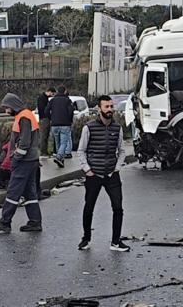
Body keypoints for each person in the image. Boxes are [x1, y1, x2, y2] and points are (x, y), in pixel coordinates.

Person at [76, 95, 130, 252]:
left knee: (118, 208)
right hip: (94, 174)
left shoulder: (117, 128)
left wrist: (117, 168)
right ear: (99, 109)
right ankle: (86, 239)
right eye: (106, 107)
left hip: (112, 174)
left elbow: (122, 150)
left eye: (111, 106)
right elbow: (81, 150)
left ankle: (116, 242)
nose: (110, 109)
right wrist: (87, 170)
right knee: (89, 207)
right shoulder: (89, 127)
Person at [0, 93, 43, 233]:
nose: (6, 111)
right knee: (29, 193)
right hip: (31, 160)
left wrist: (16, 158)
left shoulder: (23, 117)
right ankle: (35, 221)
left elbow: (24, 142)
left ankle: (5, 222)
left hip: (24, 161)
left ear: (13, 105)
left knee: (13, 191)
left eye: (7, 108)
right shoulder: (27, 115)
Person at [46, 85, 74, 168]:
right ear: (65, 91)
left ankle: (60, 160)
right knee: (63, 143)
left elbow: (46, 110)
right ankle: (59, 157)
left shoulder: (52, 100)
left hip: (54, 124)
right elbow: (71, 111)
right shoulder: (67, 100)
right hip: (65, 124)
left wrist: (51, 118)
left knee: (57, 142)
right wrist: (70, 120)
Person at [37, 87, 56, 156]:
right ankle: (43, 151)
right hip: (44, 119)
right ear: (49, 92)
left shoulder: (44, 98)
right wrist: (49, 115)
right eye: (52, 94)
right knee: (44, 135)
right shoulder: (42, 98)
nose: (52, 96)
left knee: (45, 135)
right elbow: (43, 109)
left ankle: (45, 151)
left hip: (44, 118)